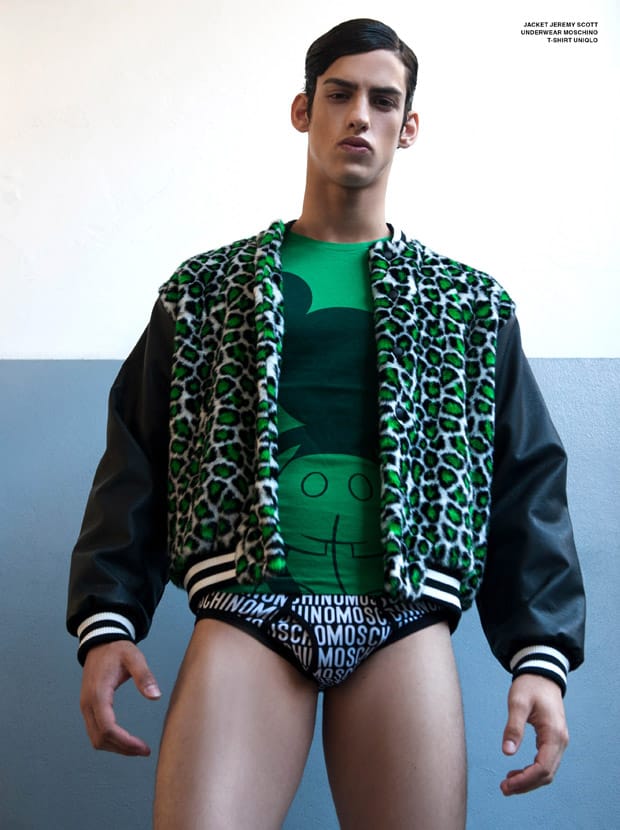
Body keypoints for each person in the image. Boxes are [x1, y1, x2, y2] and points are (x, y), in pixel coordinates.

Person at [67, 18, 585, 830]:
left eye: (383, 101)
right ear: (302, 110)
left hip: (404, 613)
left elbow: (527, 479)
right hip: (247, 604)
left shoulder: (467, 304)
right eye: (339, 95)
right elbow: (136, 458)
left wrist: (540, 658)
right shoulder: (207, 290)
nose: (360, 117)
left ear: (408, 126)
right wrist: (106, 623)